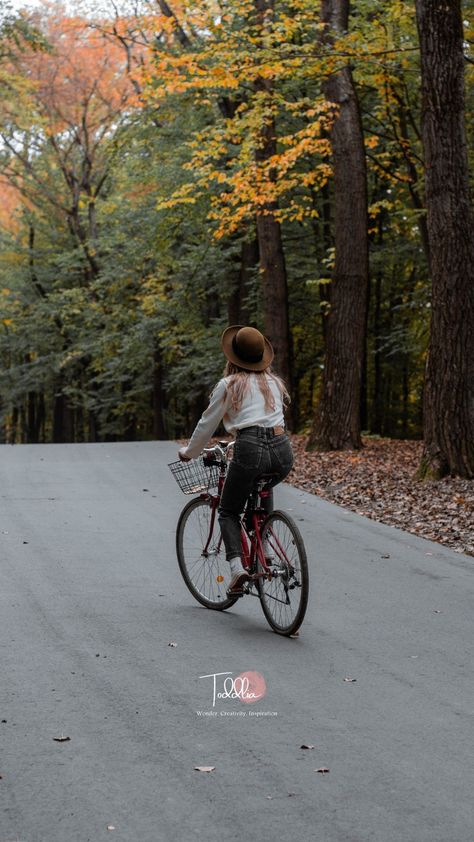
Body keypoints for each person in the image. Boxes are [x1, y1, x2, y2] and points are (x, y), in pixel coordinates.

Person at [178, 325, 294, 594]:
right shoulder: (274, 383)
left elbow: (207, 423)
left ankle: (236, 570)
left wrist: (189, 453)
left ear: (233, 356)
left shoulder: (228, 385)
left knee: (229, 510)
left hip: (250, 448)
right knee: (263, 488)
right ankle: (265, 549)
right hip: (282, 450)